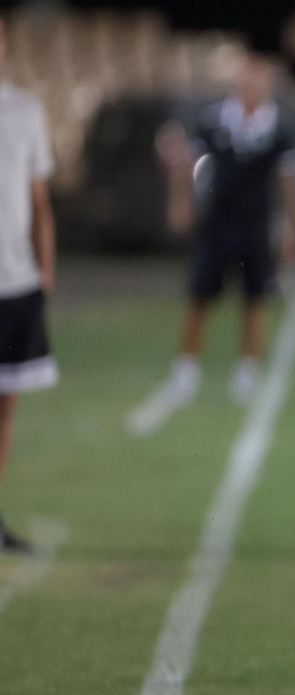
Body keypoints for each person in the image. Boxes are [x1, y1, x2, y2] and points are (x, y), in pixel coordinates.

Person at [155, 53, 295, 406]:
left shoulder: (279, 127)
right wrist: (180, 202)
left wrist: (292, 228)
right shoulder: (213, 120)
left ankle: (247, 371)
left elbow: (291, 182)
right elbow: (186, 163)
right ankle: (185, 370)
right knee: (200, 294)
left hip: (255, 223)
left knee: (255, 298)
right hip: (217, 221)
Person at [0, 13, 58, 552]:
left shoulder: (24, 109)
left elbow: (40, 203)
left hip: (16, 283)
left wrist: (46, 276)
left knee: (6, 406)